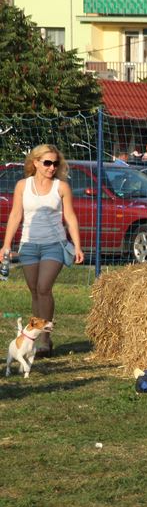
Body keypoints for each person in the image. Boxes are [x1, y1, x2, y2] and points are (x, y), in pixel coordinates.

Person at [0, 145, 84, 356]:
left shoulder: (61, 187)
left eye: (55, 163)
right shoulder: (22, 185)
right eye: (47, 163)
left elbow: (70, 218)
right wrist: (6, 244)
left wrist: (78, 246)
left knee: (44, 287)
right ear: (35, 162)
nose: (52, 167)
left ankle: (46, 339)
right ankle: (34, 337)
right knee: (35, 290)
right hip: (28, 245)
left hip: (54, 244)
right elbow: (16, 215)